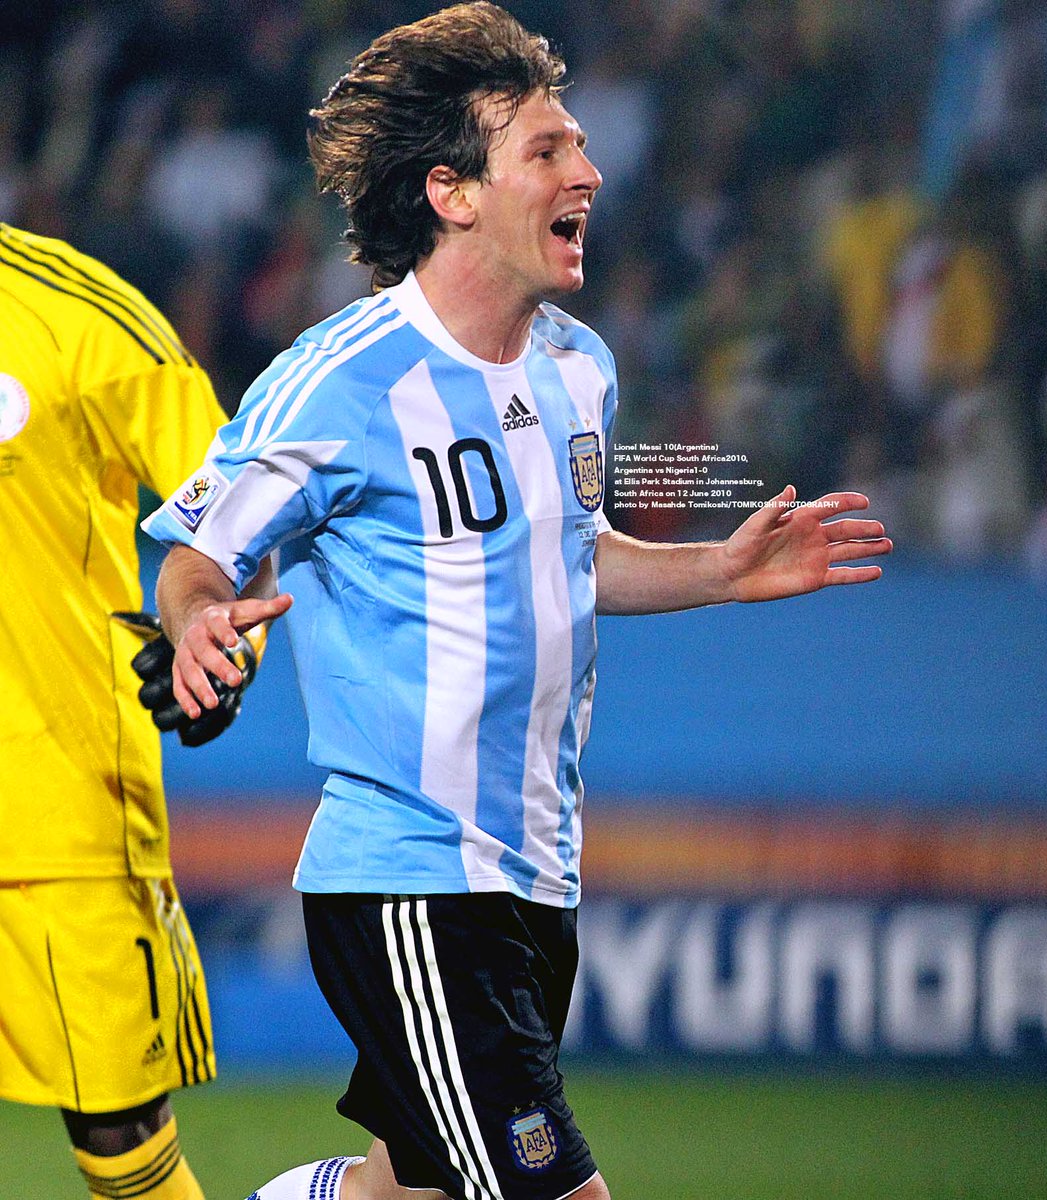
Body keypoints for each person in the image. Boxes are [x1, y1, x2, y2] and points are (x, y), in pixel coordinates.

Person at [142, 6, 892, 1200]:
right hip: (414, 877)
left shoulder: (577, 367)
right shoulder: (341, 379)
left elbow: (569, 558)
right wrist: (196, 622)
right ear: (453, 192)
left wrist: (720, 571)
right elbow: (197, 547)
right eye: (545, 151)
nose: (586, 172)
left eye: (580, 146)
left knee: (416, 1191)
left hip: (537, 874)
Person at [0, 223, 235, 1198]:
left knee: (122, 1137)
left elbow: (231, 503)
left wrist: (215, 642)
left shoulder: (78, 315)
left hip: (55, 797)